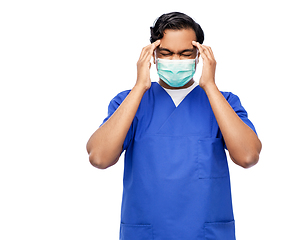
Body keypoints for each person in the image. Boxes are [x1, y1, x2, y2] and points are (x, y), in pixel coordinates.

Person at [86, 12, 262, 240]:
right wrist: (140, 86)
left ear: (199, 55)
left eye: (185, 54)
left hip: (205, 233)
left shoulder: (223, 102)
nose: (176, 61)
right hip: (147, 232)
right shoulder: (129, 103)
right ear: (152, 55)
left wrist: (209, 85)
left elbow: (248, 156)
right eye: (166, 53)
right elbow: (99, 158)